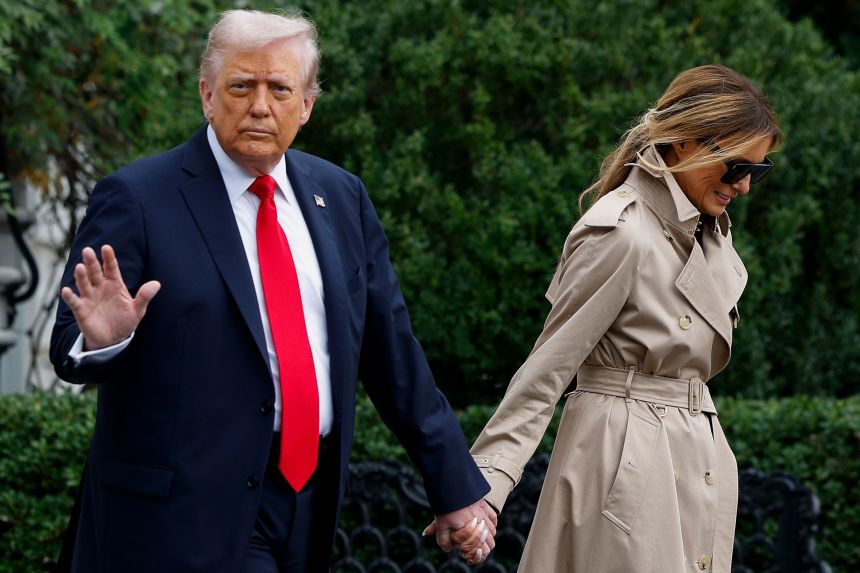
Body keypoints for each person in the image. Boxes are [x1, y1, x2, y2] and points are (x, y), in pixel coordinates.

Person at [50, 10, 495, 573]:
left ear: (306, 105)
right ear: (207, 95)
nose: (260, 105)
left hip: (306, 502)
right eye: (241, 86)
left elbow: (393, 356)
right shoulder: (137, 198)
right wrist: (104, 341)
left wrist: (452, 487)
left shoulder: (342, 198)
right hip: (182, 517)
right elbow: (70, 343)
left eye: (280, 88)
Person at [458, 65, 782, 572]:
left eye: (756, 173)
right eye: (736, 167)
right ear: (683, 143)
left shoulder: (704, 233)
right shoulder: (622, 232)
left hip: (690, 457)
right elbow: (548, 369)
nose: (743, 187)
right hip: (622, 465)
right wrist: (483, 486)